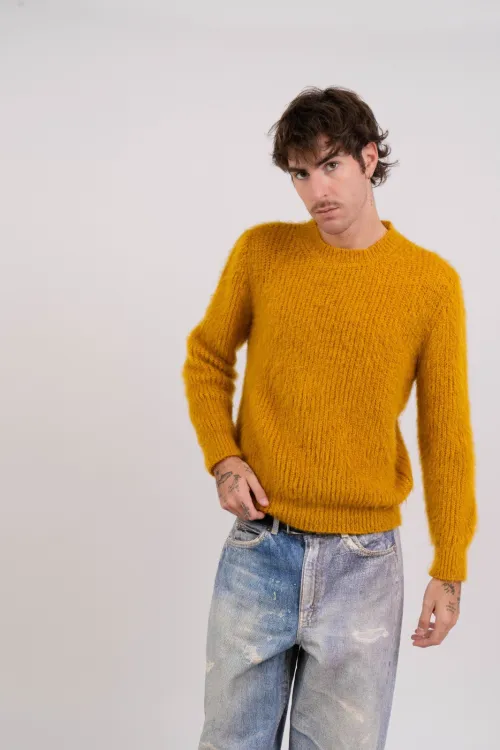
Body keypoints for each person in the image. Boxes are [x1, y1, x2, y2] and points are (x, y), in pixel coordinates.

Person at [181, 85, 477, 750]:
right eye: (300, 173)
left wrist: (450, 566)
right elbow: (207, 358)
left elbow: (446, 434)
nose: (317, 190)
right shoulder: (262, 252)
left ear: (369, 158)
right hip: (260, 547)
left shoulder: (430, 284)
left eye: (331, 165)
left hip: (363, 566)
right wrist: (224, 458)